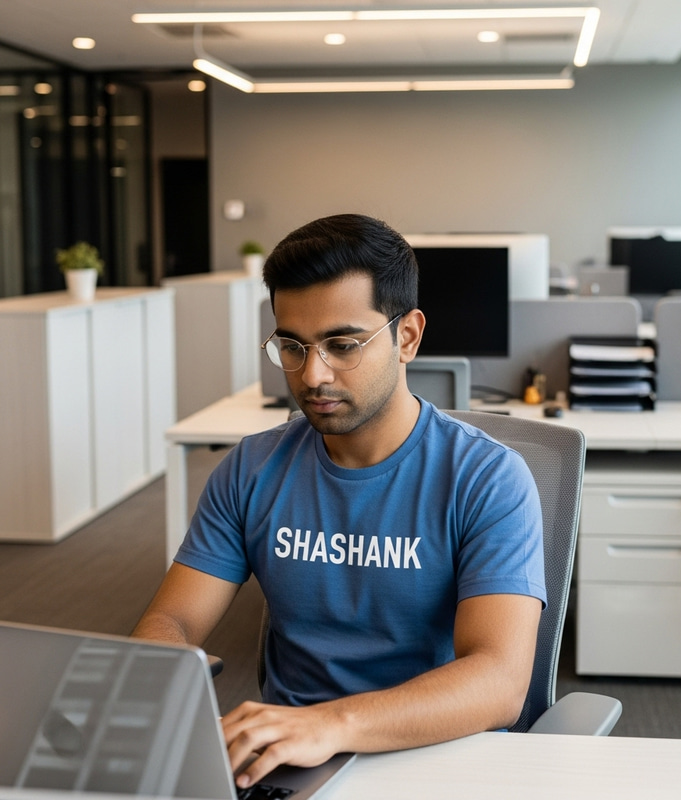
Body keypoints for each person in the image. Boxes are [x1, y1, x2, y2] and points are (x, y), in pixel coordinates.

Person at [132, 213, 545, 788]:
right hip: (293, 766)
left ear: (408, 337)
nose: (312, 374)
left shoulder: (487, 478)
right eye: (292, 347)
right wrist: (158, 667)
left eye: (342, 344)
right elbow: (172, 617)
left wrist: (328, 725)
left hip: (439, 759)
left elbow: (499, 681)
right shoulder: (251, 470)